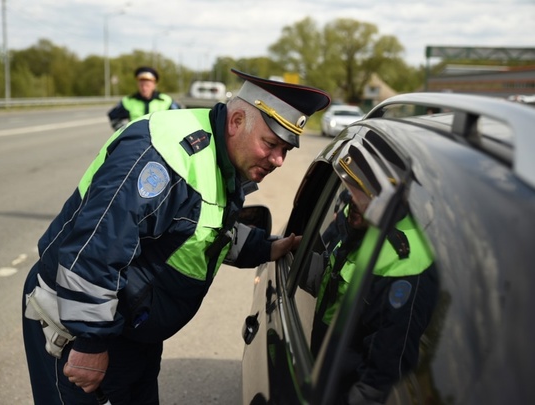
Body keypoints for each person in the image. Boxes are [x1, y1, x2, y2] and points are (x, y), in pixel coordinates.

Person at [22, 68, 331, 404]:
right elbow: (95, 248)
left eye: (286, 150)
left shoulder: (220, 159)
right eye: (271, 144)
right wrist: (90, 343)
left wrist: (268, 247)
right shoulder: (163, 156)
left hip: (131, 332)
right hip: (76, 326)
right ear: (236, 121)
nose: (279, 160)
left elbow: (200, 231)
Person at [311, 164, 438, 404]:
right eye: (355, 187)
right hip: (322, 371)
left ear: (396, 198)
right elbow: (329, 270)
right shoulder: (356, 216)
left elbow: (381, 377)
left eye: (369, 193)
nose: (353, 199)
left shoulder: (407, 263)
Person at [107, 66, 181, 131]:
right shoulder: (128, 101)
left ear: (154, 84)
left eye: (147, 85)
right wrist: (125, 132)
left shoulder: (166, 100)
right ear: (137, 84)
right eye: (141, 85)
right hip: (136, 141)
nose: (144, 88)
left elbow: (179, 118)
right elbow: (113, 117)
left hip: (160, 141)